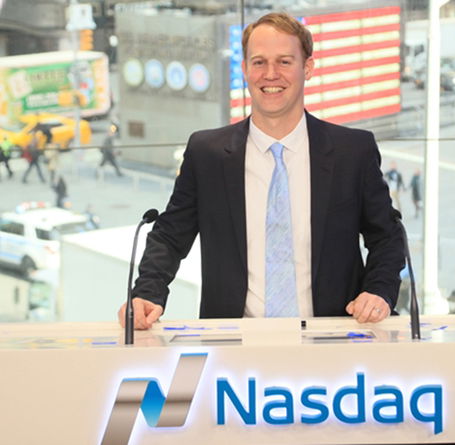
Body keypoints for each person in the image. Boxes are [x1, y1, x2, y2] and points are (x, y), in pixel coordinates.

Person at [118, 12, 405, 330]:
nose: (271, 74)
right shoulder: (207, 154)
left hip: (334, 340)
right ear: (244, 69)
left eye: (284, 61)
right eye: (258, 62)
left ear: (307, 68)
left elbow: (387, 237)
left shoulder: (353, 151)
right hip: (234, 347)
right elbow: (170, 237)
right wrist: (147, 293)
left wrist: (378, 291)